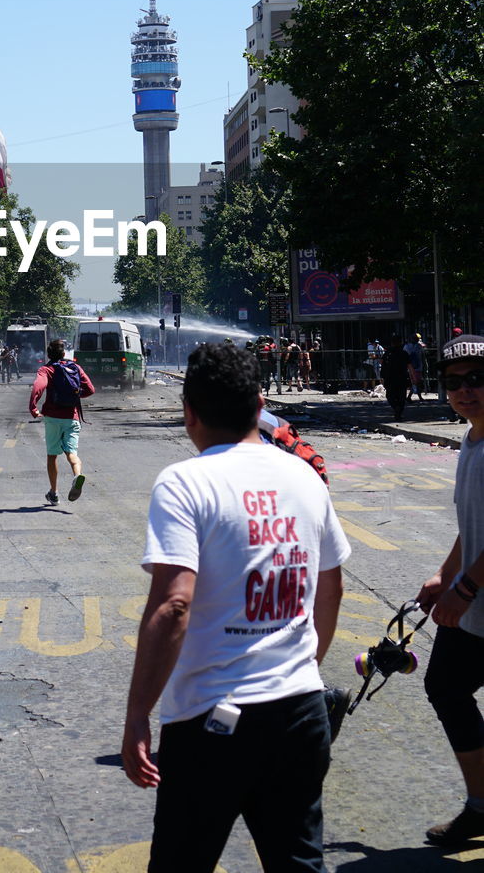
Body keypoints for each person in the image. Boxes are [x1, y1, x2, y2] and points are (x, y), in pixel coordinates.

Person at [122, 343, 350, 873]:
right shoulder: (305, 478)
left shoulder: (185, 482)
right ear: (260, 404)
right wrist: (306, 668)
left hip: (210, 723)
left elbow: (174, 605)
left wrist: (138, 714)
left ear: (190, 413)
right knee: (298, 863)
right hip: (300, 711)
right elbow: (332, 585)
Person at [417, 334, 484, 848]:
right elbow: (473, 525)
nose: (466, 391)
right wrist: (445, 576)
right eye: (455, 383)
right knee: (445, 685)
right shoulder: (470, 439)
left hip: (476, 597)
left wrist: (465, 587)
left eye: (477, 379)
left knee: (446, 685)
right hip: (475, 603)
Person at [29, 339, 95, 505]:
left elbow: (39, 385)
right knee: (72, 453)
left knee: (52, 456)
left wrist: (33, 405)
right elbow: (90, 389)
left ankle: (54, 492)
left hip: (52, 418)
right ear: (64, 353)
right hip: (71, 417)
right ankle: (77, 475)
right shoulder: (75, 367)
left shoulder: (46, 369)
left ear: (48, 354)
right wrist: (74, 395)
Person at [381, 334, 412, 421]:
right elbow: (410, 366)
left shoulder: (388, 353)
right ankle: (398, 412)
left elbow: (382, 364)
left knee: (390, 395)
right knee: (401, 396)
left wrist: (382, 377)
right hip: (402, 378)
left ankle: (396, 408)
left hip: (390, 378)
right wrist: (413, 378)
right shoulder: (404, 353)